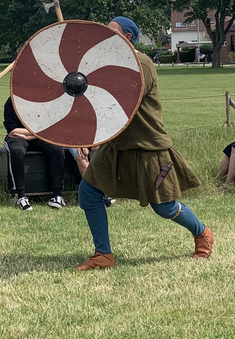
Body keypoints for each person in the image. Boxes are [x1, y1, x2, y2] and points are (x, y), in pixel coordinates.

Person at [75, 17, 213, 271]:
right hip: (117, 146)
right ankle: (103, 254)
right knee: (89, 192)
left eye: (111, 31)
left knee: (163, 206)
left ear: (127, 37)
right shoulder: (107, 64)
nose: (104, 34)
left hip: (148, 146)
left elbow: (123, 103)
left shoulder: (142, 64)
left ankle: (202, 232)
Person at [3, 96, 65, 210]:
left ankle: (57, 195)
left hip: (38, 136)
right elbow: (12, 131)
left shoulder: (43, 99)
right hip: (19, 137)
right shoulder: (11, 101)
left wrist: (32, 135)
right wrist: (37, 131)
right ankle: (21, 196)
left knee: (57, 149)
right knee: (16, 151)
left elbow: (50, 127)